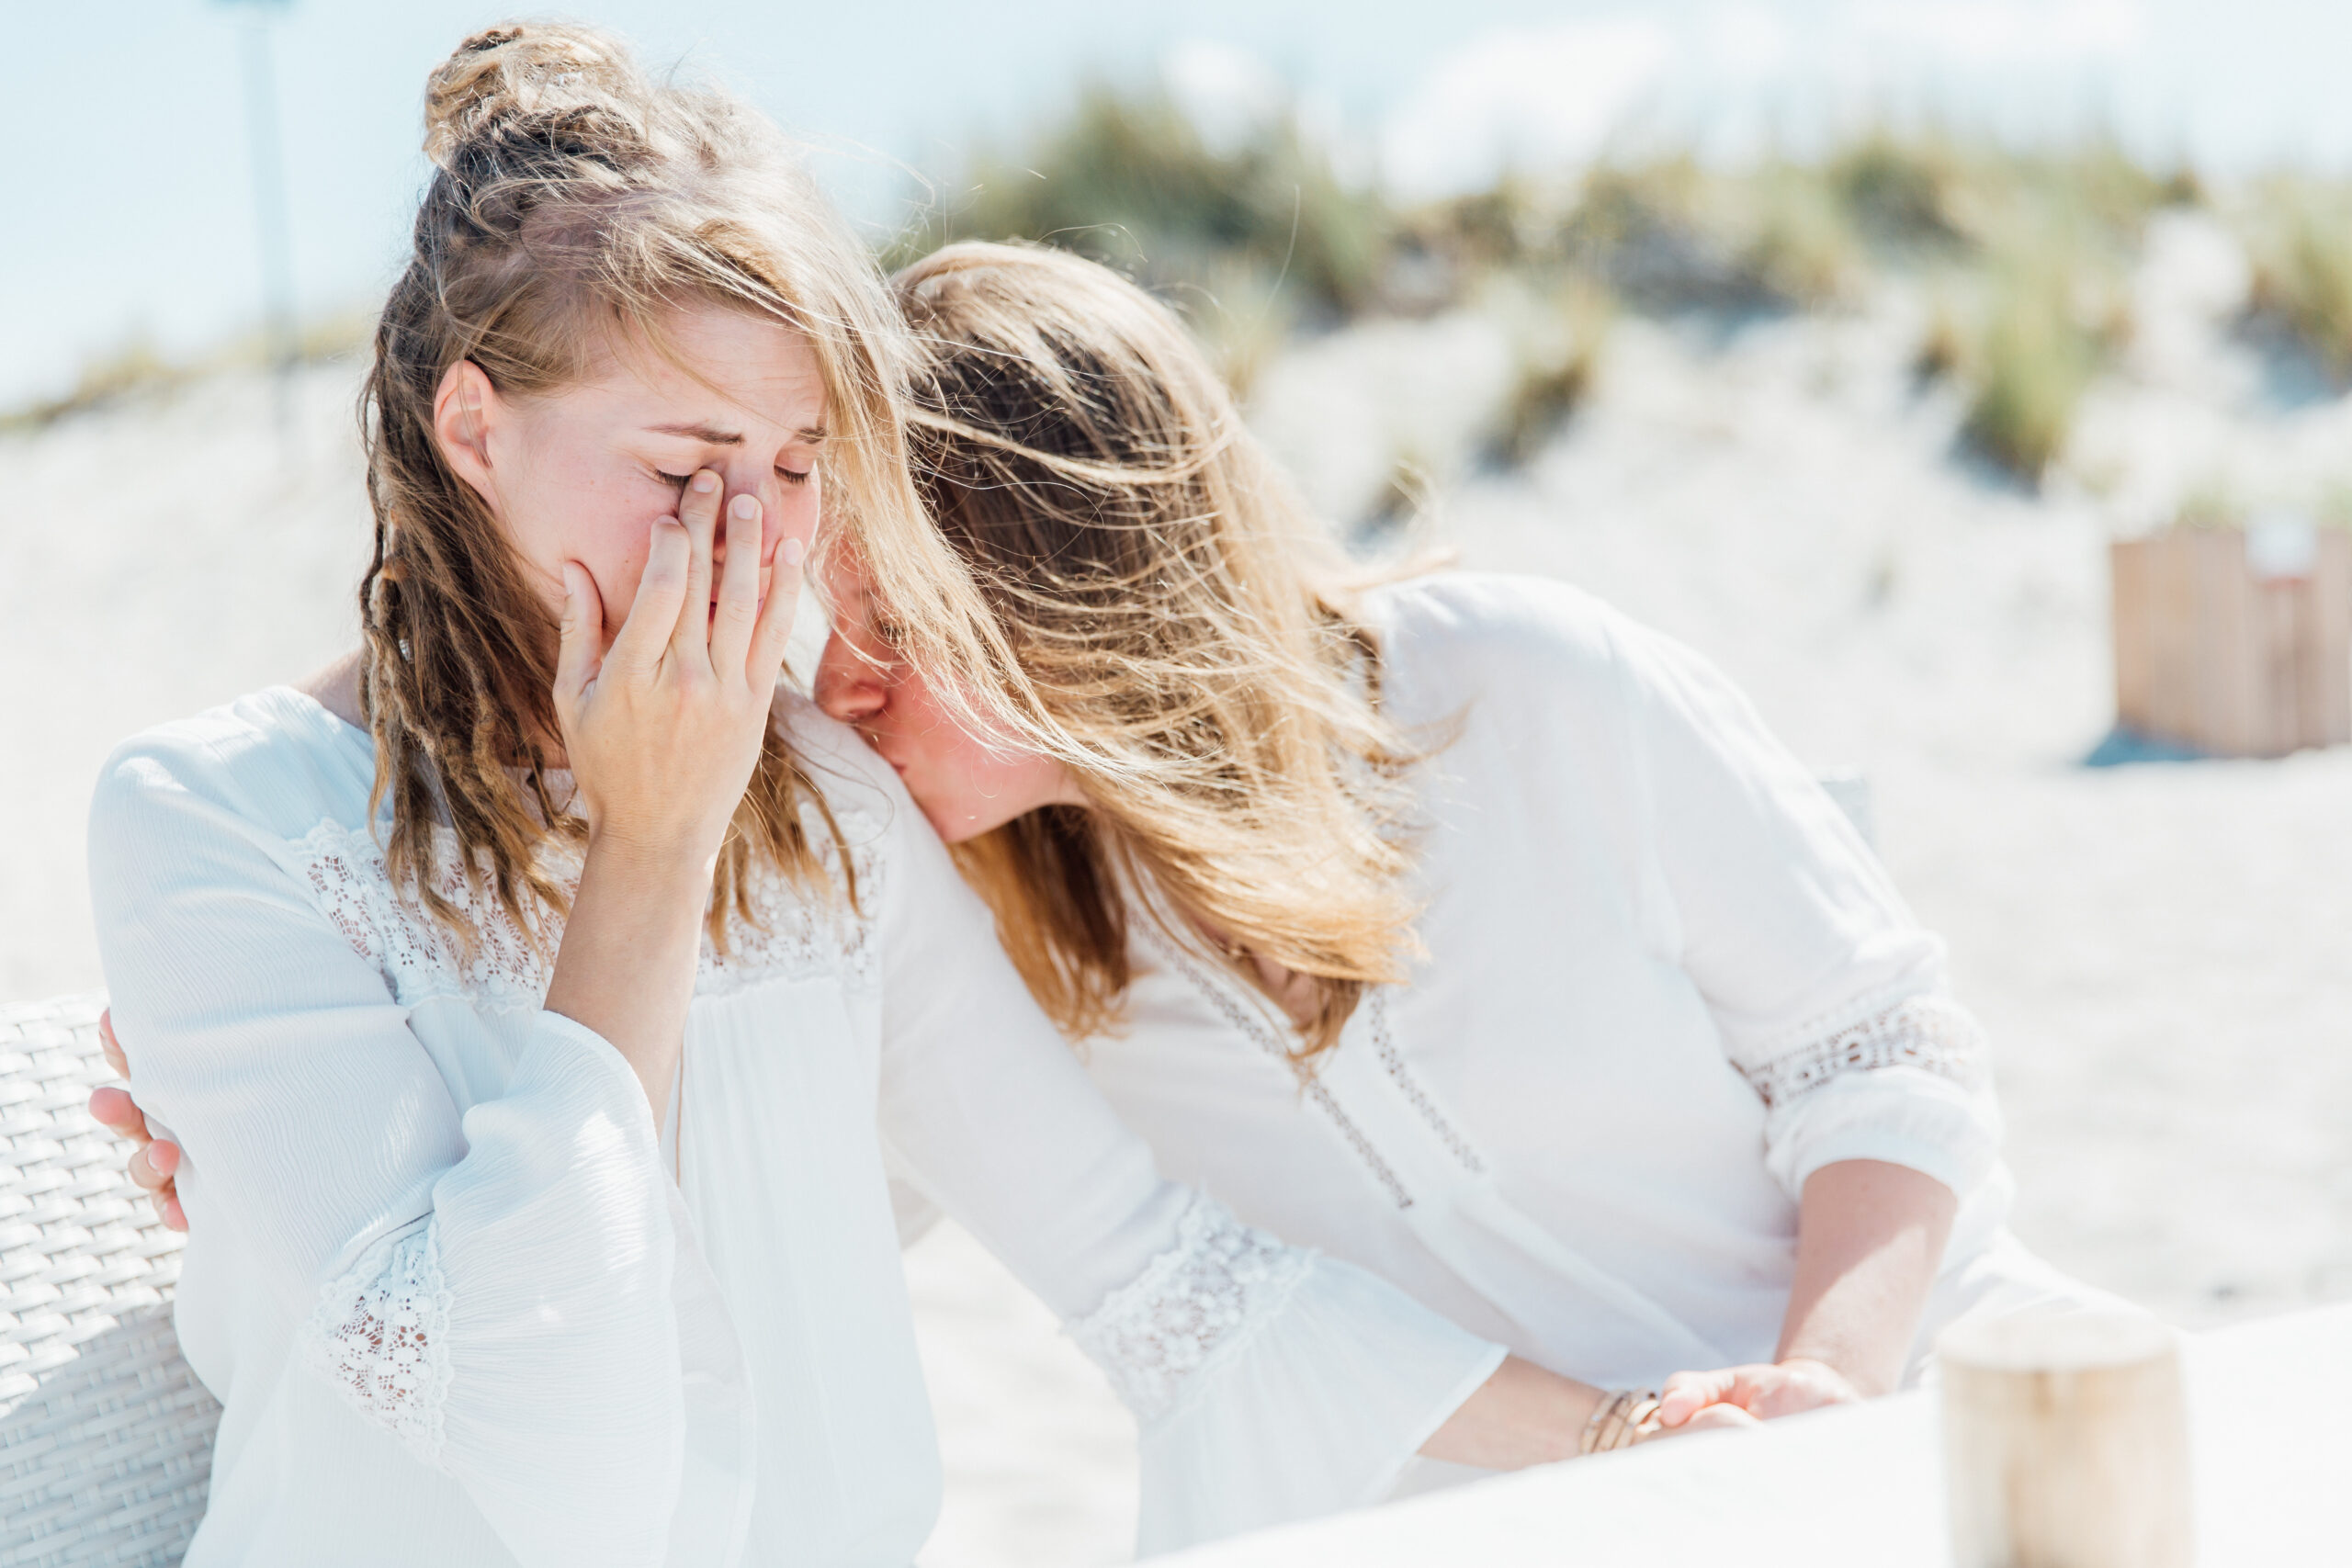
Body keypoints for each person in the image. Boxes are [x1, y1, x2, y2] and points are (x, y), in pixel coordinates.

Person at [83, 31, 1690, 1567]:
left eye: (795, 465)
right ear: (473, 429)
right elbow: (520, 1410)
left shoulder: (829, 809)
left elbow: (1159, 1276)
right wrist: (653, 846)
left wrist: (1629, 1432)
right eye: (681, 460)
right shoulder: (215, 823)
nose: (749, 534)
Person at [798, 242, 2133, 1472]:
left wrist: (1819, 1396)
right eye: (827, 619)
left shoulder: (1523, 684)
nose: (839, 687)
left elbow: (1875, 1047)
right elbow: (783, 1239)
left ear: (1078, 589)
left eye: (895, 625)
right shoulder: (986, 938)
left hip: (1934, 1418)